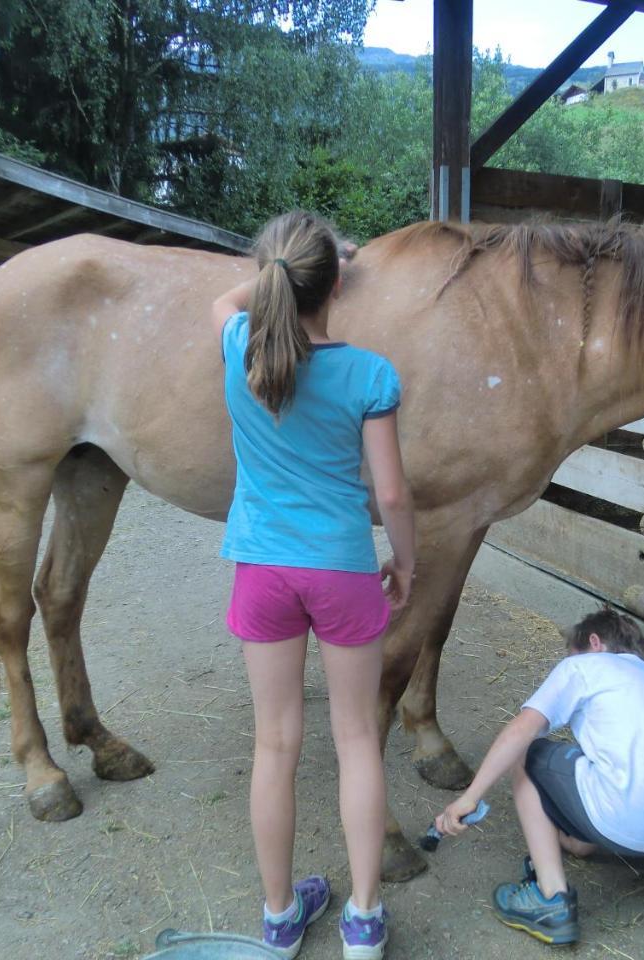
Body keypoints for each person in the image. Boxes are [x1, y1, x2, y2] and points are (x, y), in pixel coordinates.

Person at [210, 211, 415, 960]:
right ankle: (363, 919)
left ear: (270, 281)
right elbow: (390, 495)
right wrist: (407, 561)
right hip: (342, 569)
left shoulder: (238, 347)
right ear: (335, 288)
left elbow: (226, 304)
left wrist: (287, 265)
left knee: (275, 746)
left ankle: (278, 915)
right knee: (359, 741)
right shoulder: (369, 373)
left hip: (262, 571)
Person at [434, 608, 644, 945]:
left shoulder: (584, 667)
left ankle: (550, 897)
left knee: (528, 753)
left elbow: (521, 730)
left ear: (595, 643)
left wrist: (470, 797)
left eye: (572, 653)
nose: (569, 660)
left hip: (627, 818)